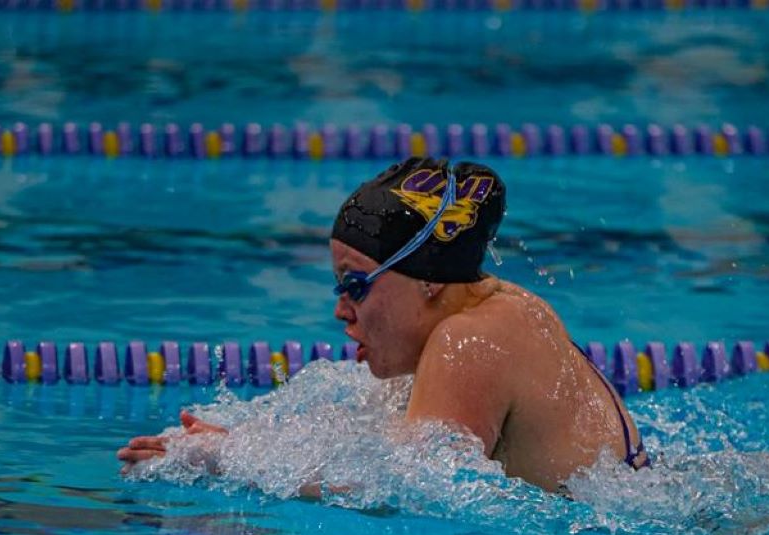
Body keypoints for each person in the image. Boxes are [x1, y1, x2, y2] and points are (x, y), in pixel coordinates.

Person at [118, 157, 649, 493]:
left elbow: (407, 487)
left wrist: (230, 463)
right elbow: (381, 446)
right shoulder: (501, 306)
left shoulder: (469, 339)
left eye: (355, 286)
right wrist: (245, 442)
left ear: (428, 280)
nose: (341, 311)